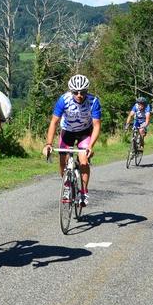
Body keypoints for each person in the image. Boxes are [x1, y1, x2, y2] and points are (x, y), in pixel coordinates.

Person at [42, 74, 102, 207]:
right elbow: (54, 122)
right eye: (75, 92)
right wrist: (48, 144)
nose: (79, 95)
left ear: (87, 91)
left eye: (83, 92)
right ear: (71, 91)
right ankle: (67, 186)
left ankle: (84, 192)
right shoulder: (64, 100)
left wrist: (90, 146)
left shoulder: (93, 101)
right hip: (67, 131)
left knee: (84, 160)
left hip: (84, 132)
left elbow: (97, 125)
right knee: (62, 160)